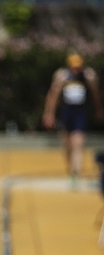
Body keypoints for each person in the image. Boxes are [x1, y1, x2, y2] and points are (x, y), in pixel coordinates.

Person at [43, 52, 104, 188]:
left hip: (80, 113)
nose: (76, 69)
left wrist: (99, 110)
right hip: (66, 112)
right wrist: (49, 114)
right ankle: (71, 167)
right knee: (67, 143)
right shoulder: (62, 76)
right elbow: (53, 95)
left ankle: (76, 172)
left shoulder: (88, 76)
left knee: (78, 142)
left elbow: (95, 95)